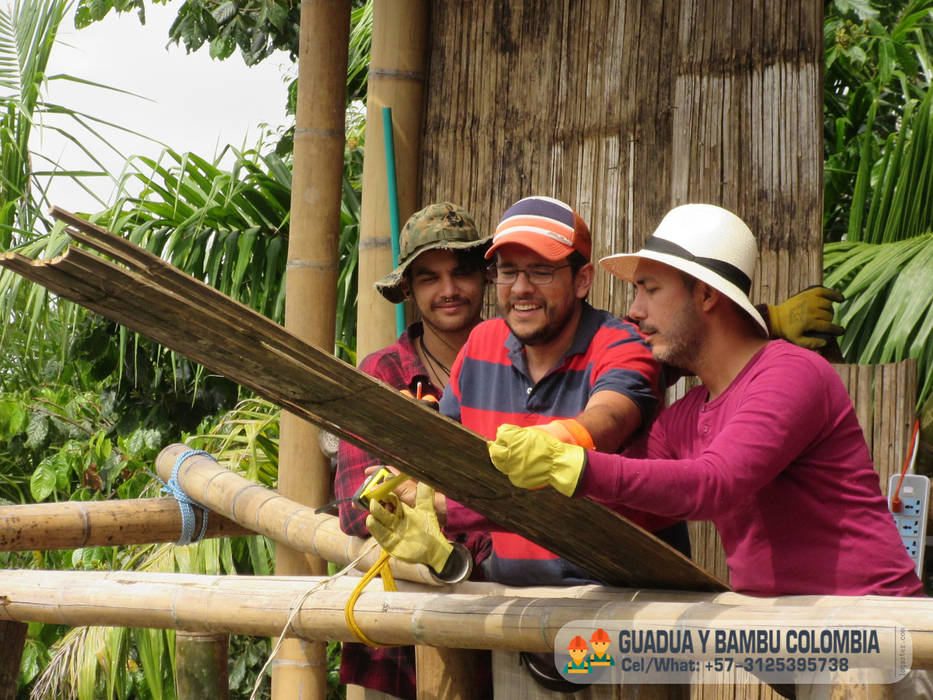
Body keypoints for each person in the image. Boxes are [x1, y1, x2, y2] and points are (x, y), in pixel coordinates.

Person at [486, 203, 926, 694]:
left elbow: (714, 484)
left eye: (650, 289)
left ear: (707, 295)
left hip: (874, 647)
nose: (634, 310)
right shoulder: (687, 415)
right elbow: (616, 494)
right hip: (796, 649)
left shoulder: (791, 373)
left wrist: (576, 463)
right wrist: (453, 518)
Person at [334, 201, 491, 700]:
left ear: (485, 275)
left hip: (504, 621)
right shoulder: (382, 376)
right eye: (429, 278)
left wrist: (415, 486)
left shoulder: (516, 365)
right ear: (409, 289)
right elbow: (359, 510)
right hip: (402, 643)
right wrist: (481, 499)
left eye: (462, 271)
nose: (449, 290)